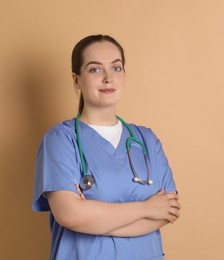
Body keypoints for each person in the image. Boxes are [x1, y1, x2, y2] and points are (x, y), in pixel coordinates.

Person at [32, 35, 181, 260]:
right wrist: (147, 208)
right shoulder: (61, 139)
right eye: (94, 70)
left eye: (116, 68)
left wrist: (93, 220)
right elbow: (70, 215)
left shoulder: (146, 139)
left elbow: (168, 210)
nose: (108, 78)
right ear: (76, 79)